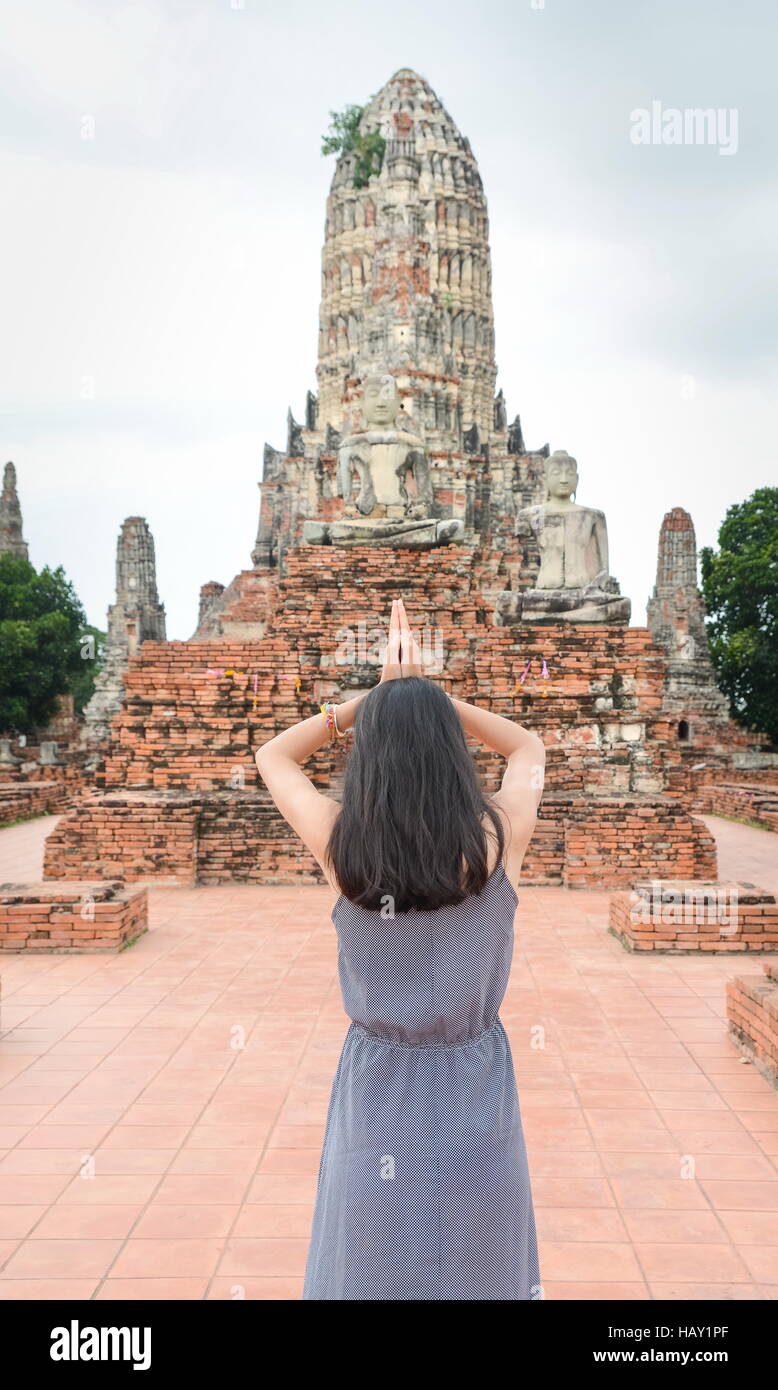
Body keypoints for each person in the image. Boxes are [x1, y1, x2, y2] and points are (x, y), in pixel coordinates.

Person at [255, 598, 545, 1300]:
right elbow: (527, 749)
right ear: (449, 748)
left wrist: (370, 702)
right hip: (476, 1100)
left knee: (373, 1276)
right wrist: (433, 699)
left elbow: (274, 755)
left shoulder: (339, 843)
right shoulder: (498, 839)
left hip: (377, 1102)